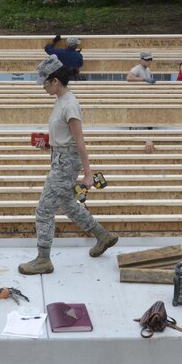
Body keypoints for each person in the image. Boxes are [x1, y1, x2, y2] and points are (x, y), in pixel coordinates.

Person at [19, 55, 118, 275]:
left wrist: (88, 173)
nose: (43, 87)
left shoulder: (70, 104)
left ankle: (43, 259)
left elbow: (79, 141)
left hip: (66, 163)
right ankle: (103, 235)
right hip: (59, 158)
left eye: (45, 83)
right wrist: (49, 143)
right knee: (68, 204)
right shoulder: (60, 101)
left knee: (44, 209)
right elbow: (65, 136)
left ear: (55, 81)